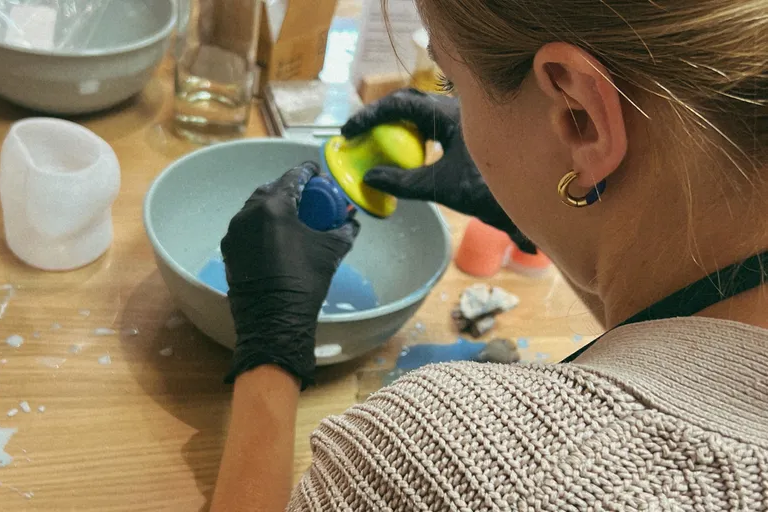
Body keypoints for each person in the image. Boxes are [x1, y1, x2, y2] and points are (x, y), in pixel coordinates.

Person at [209, 0, 768, 509]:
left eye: (451, 83)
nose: (455, 108)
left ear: (579, 115)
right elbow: (685, 358)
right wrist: (539, 214)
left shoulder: (456, 467)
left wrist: (270, 349)